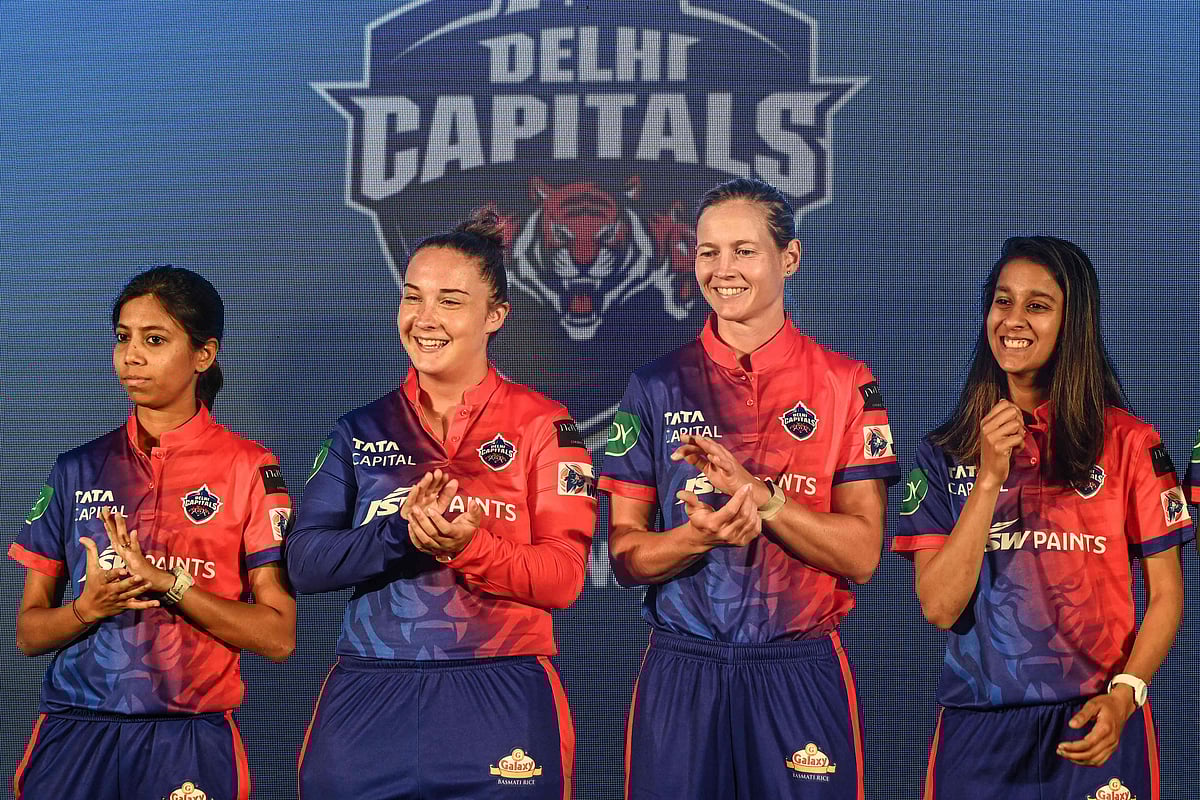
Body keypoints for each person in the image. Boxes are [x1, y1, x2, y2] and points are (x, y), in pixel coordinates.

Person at [598, 177, 898, 800]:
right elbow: (625, 559)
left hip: (800, 671)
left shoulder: (846, 383)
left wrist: (766, 501)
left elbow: (863, 555)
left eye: (744, 250)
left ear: (789, 257)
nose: (722, 269)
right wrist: (692, 538)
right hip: (684, 668)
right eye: (708, 251)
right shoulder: (655, 386)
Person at [287, 208, 596, 800]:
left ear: (495, 316)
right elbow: (304, 562)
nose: (424, 320)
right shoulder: (360, 427)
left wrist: (470, 546)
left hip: (499, 695)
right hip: (367, 695)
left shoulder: (545, 424)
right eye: (413, 298)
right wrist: (401, 533)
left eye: (450, 301)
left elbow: (562, 579)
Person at [892, 236, 1192, 800]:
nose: (1013, 320)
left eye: (1037, 305)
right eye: (1002, 302)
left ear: (1071, 322)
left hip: (1097, 722)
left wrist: (1127, 692)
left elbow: (1167, 594)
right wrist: (987, 478)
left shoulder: (1130, 442)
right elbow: (939, 606)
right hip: (978, 728)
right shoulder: (944, 451)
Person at [10, 266, 296, 800]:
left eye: (155, 339)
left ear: (204, 355)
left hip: (189, 737)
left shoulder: (249, 467)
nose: (131, 355)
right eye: (123, 338)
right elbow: (28, 635)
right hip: (74, 732)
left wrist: (170, 585)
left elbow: (278, 637)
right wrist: (87, 608)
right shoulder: (77, 469)